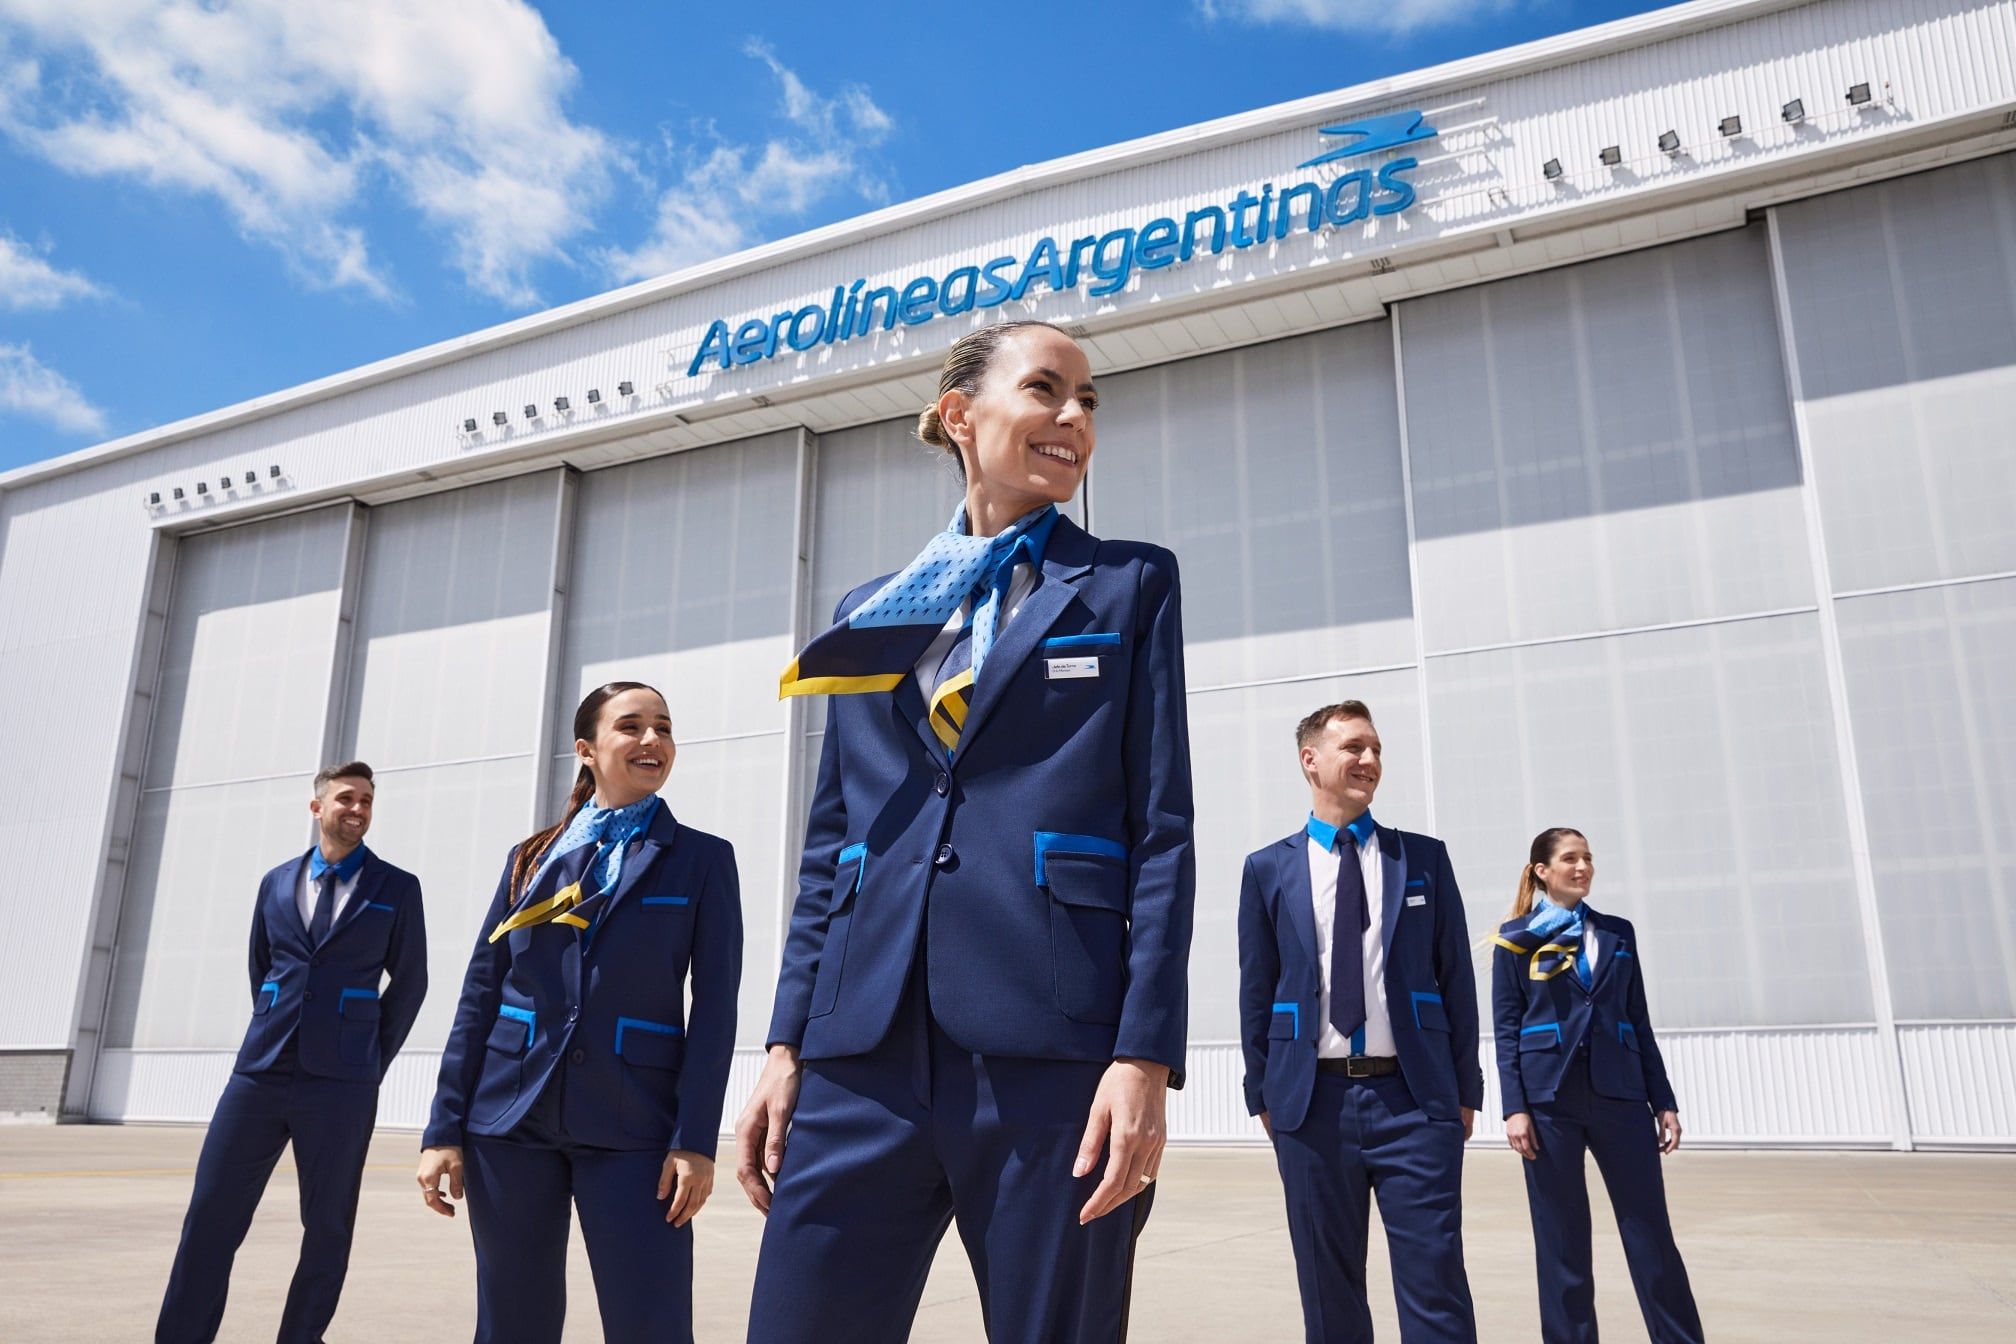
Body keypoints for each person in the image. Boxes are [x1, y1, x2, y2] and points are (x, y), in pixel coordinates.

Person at [738, 320, 1195, 1344]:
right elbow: (832, 851)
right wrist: (784, 1043)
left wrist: (1144, 1058)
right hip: (860, 1048)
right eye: (1047, 391)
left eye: (1087, 401)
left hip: (1052, 1052)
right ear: (961, 416)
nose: (1075, 418)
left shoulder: (1128, 586)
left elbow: (1162, 830)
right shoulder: (871, 615)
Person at [417, 682, 742, 1344]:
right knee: (513, 1324)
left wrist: (695, 1140)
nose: (652, 740)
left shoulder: (704, 859)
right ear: (588, 750)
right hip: (509, 1118)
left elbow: (714, 1008)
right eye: (632, 726)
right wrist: (442, 1128)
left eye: (664, 727)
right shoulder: (532, 859)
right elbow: (481, 993)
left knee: (650, 1322)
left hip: (636, 1126)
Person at [156, 762, 427, 1344]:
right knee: (209, 1218)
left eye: (367, 801)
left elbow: (410, 983)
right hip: (260, 1072)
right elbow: (265, 968)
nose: (358, 809)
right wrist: (277, 1023)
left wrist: (369, 1060)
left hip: (343, 1082)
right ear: (317, 808)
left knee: (327, 1227)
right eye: (346, 798)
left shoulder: (398, 888)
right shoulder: (276, 882)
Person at [1237, 702, 1482, 1344]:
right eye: (1353, 747)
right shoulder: (1268, 870)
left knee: (1436, 1288)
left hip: (1415, 1101)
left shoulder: (1422, 860)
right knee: (1329, 1294)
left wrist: (1465, 1090)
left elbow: (1455, 978)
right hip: (1309, 1105)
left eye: (1375, 748)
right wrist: (1261, 1091)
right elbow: (1256, 990)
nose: (1369, 760)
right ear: (1310, 759)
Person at [1492, 828, 1703, 1343]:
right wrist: (1514, 1108)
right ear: (1542, 870)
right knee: (1562, 1240)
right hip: (1548, 1103)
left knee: (1650, 1231)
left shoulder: (1618, 933)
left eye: (1587, 857)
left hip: (1622, 1096)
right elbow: (1506, 1028)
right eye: (1570, 858)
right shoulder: (1516, 938)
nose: (1583, 866)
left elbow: (1639, 1019)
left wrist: (1664, 1101)